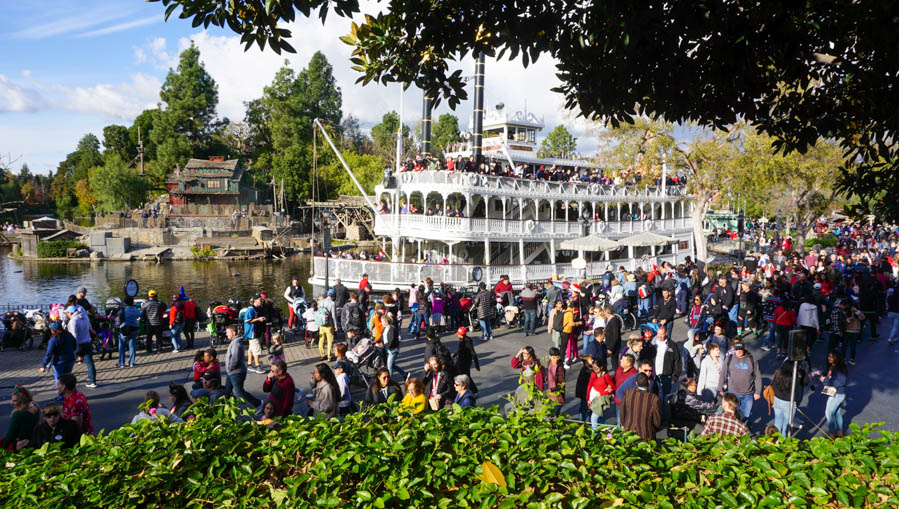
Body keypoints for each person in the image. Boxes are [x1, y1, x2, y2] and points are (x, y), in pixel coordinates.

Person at [716, 341, 762, 424]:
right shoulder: (729, 358)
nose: (739, 351)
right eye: (737, 349)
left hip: (748, 394)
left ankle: (743, 432)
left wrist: (758, 391)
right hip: (733, 393)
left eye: (741, 349)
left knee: (746, 416)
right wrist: (720, 388)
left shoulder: (752, 359)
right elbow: (723, 374)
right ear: (734, 350)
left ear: (744, 349)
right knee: (732, 414)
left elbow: (757, 376)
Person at [224, 325, 261, 409]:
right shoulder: (235, 341)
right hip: (230, 372)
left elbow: (235, 358)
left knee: (239, 392)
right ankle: (227, 408)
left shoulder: (236, 343)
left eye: (227, 333)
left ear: (233, 333)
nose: (226, 334)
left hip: (236, 372)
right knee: (227, 391)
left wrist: (230, 368)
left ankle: (258, 404)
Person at [620, 373, 661, 441]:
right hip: (646, 435)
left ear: (636, 383)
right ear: (648, 382)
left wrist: (625, 424)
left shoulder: (628, 393)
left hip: (628, 433)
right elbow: (657, 422)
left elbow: (622, 413)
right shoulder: (654, 398)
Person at [772, 361, 809, 437]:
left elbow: (774, 385)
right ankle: (783, 441)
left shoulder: (778, 374)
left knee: (777, 422)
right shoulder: (795, 378)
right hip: (789, 402)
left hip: (777, 399)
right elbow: (806, 381)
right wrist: (801, 371)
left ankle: (775, 440)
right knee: (786, 425)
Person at [646, 326, 682, 397]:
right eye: (658, 334)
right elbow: (647, 358)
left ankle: (665, 407)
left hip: (666, 376)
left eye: (662, 334)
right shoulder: (652, 344)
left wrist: (676, 374)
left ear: (666, 334)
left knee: (666, 395)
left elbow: (677, 359)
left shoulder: (672, 345)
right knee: (654, 395)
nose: (660, 336)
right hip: (654, 375)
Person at [65, 305, 96, 388]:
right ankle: (92, 382)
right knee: (90, 363)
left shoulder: (73, 321)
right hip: (87, 343)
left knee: (69, 364)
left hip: (78, 344)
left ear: (71, 313)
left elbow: (74, 335)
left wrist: (72, 347)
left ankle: (66, 383)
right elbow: (89, 328)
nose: (66, 314)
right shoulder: (85, 318)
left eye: (67, 313)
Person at [819, 352, 849, 438]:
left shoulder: (838, 368)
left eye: (831, 357)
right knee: (837, 413)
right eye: (828, 356)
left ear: (836, 358)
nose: (829, 358)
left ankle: (832, 434)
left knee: (828, 413)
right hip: (839, 394)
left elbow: (841, 381)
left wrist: (825, 381)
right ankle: (839, 432)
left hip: (836, 395)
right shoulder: (835, 367)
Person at [2, 385, 39, 450]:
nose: (12, 403)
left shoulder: (18, 414)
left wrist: (4, 445)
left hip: (21, 445)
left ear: (22, 401)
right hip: (34, 440)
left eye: (15, 401)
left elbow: (11, 434)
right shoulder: (36, 407)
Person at [587, 361, 615, 429]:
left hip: (602, 399)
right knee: (601, 418)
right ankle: (608, 432)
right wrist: (588, 399)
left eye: (596, 368)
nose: (594, 369)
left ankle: (594, 434)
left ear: (601, 367)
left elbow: (612, 388)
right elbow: (589, 386)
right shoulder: (593, 374)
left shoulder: (606, 376)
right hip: (594, 398)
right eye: (593, 367)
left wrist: (602, 393)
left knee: (594, 417)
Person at [244, 295, 267, 373]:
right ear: (255, 300)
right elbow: (247, 321)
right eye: (260, 300)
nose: (262, 301)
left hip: (259, 331)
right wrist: (258, 319)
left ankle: (249, 364)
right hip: (253, 332)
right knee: (257, 349)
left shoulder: (260, 308)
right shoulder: (250, 310)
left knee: (251, 349)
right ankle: (257, 366)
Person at [116, 296, 141, 367]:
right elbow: (139, 316)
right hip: (135, 328)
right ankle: (131, 362)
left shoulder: (123, 310)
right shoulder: (136, 309)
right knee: (132, 345)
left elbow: (118, 320)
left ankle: (121, 363)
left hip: (125, 329)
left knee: (121, 346)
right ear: (132, 302)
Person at [317, 291, 337, 361]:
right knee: (330, 341)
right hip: (329, 324)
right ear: (333, 296)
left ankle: (322, 355)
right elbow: (334, 315)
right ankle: (329, 356)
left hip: (322, 324)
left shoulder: (322, 301)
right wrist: (336, 326)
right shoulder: (332, 303)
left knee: (321, 340)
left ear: (327, 294)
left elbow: (319, 312)